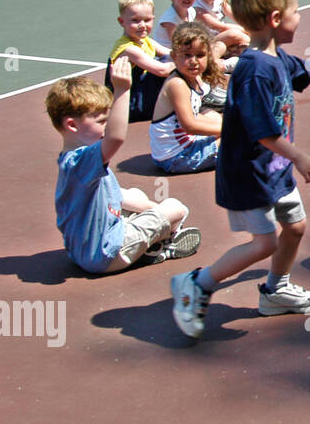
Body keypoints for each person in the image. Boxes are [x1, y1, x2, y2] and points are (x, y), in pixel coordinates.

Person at [168, 0, 310, 339]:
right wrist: (299, 156)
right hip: (249, 173)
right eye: (296, 10)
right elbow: (263, 132)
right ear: (276, 19)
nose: (300, 16)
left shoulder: (275, 58)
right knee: (265, 243)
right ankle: (197, 283)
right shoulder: (256, 70)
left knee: (295, 227)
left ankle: (275, 290)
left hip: (274, 170)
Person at [48, 61, 201, 273]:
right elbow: (116, 138)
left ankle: (156, 235)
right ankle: (164, 243)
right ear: (72, 125)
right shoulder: (84, 161)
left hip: (82, 251)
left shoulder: (72, 161)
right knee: (176, 207)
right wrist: (122, 90)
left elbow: (116, 196)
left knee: (134, 195)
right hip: (106, 255)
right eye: (102, 121)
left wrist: (153, 211)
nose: (107, 126)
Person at [150, 23, 224, 174]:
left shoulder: (194, 78)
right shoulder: (177, 84)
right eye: (187, 55)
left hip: (175, 151)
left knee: (217, 118)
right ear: (174, 57)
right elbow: (189, 125)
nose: (194, 61)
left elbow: (195, 116)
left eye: (200, 55)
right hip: (177, 158)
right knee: (240, 139)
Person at [109, 0, 172, 122]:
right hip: (131, 105)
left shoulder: (145, 40)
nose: (142, 25)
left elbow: (171, 54)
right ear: (121, 21)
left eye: (147, 20)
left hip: (142, 95)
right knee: (170, 67)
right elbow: (163, 70)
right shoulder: (129, 49)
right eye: (135, 20)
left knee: (172, 59)